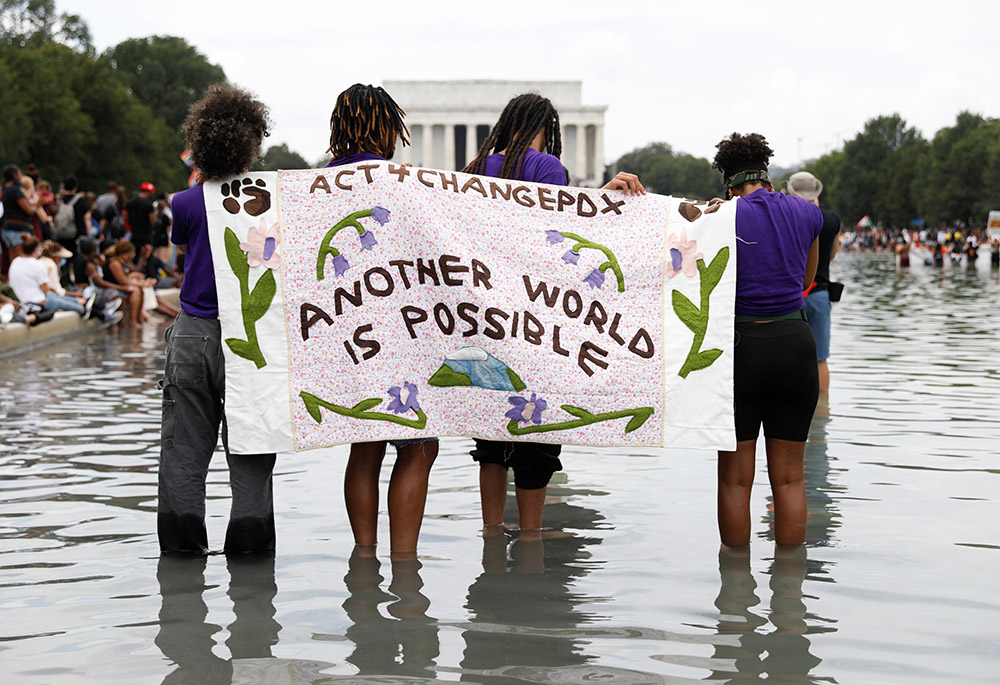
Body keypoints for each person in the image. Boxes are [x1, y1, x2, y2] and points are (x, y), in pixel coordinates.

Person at [461, 93, 644, 536]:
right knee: (536, 436)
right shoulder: (546, 167)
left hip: (485, 318)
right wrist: (603, 199)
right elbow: (557, 237)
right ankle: (529, 540)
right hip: (535, 319)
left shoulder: (472, 172)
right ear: (548, 127)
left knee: (490, 439)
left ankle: (490, 532)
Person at [157, 84, 277, 556]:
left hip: (193, 335)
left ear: (200, 140)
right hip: (250, 336)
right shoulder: (272, 199)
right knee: (251, 448)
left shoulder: (183, 203)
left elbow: (187, 251)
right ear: (251, 142)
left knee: (184, 450)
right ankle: (249, 555)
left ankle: (183, 555)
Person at [325, 83, 440, 559]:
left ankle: (364, 555)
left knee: (365, 444)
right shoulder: (395, 181)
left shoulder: (317, 184)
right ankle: (405, 562)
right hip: (396, 330)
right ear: (383, 126)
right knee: (417, 447)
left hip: (342, 333)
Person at [711, 133, 822, 547]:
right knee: (791, 479)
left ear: (729, 183)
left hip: (741, 351)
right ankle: (791, 595)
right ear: (768, 174)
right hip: (795, 344)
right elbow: (806, 280)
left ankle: (736, 599)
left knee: (736, 481)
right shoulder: (808, 213)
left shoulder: (720, 214)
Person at [784, 171, 840, 394]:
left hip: (791, 295)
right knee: (820, 359)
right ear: (816, 193)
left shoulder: (787, 218)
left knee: (786, 356)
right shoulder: (832, 220)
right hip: (819, 294)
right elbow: (833, 254)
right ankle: (822, 408)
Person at [8, 236, 85, 315]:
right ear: (37, 250)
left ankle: (77, 301)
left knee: (56, 296)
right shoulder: (39, 265)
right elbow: (45, 290)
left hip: (23, 300)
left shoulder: (15, 262)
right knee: (79, 308)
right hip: (40, 301)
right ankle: (79, 302)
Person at [2, 165, 35, 279]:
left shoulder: (6, 189)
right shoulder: (16, 190)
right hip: (19, 229)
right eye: (20, 173)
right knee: (22, 260)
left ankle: (14, 284)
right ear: (15, 175)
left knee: (14, 262)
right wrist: (36, 206)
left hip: (7, 227)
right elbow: (28, 209)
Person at [124, 182, 157, 251]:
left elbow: (125, 218)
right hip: (145, 235)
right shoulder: (148, 204)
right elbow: (152, 221)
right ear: (149, 192)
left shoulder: (130, 202)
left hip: (133, 234)